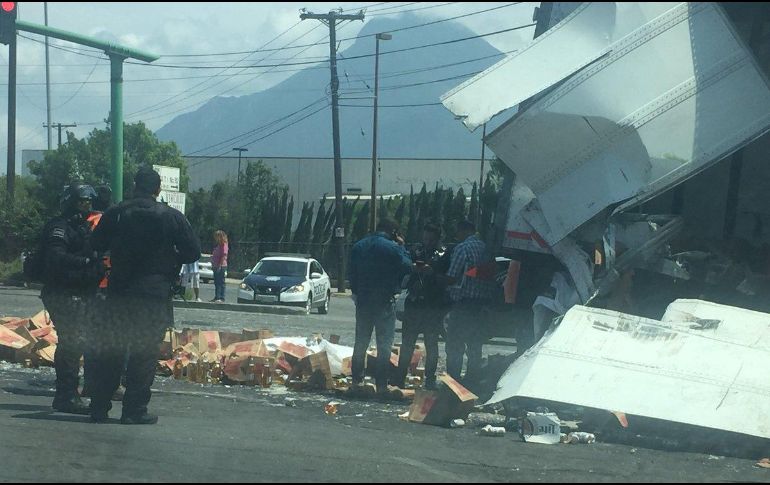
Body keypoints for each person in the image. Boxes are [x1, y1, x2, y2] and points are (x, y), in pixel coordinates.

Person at [89, 166, 200, 424]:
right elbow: (192, 252)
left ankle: (99, 407)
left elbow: (95, 245)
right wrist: (169, 258)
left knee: (112, 350)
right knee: (144, 352)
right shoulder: (172, 217)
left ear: (134, 186)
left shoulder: (116, 214)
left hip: (120, 291)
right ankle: (134, 411)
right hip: (153, 293)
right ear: (158, 189)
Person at [40, 182, 103, 415]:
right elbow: (55, 256)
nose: (86, 205)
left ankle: (76, 391)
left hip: (78, 291)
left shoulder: (81, 227)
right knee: (71, 341)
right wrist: (85, 262)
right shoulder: (60, 227)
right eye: (81, 201)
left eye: (88, 201)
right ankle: (65, 395)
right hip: (62, 292)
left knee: (78, 340)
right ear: (70, 202)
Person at [348, 218, 413, 394]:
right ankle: (381, 383)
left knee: (360, 342)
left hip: (363, 300)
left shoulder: (359, 246)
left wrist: (356, 291)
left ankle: (357, 381)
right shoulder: (392, 247)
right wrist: (402, 246)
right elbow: (408, 266)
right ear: (393, 232)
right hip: (384, 300)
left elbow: (351, 272)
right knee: (384, 345)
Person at [395, 223, 450, 390]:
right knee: (407, 343)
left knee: (431, 344)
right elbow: (406, 265)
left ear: (438, 238)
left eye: (431, 239)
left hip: (432, 305)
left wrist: (432, 272)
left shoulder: (444, 253)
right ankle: (400, 377)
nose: (427, 241)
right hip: (414, 303)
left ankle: (430, 379)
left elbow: (447, 275)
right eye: (425, 238)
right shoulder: (416, 250)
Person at [443, 219, 497, 382]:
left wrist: (438, 278)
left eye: (458, 232)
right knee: (475, 345)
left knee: (455, 344)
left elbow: (452, 277)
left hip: (464, 304)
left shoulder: (463, 248)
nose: (456, 236)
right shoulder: (486, 248)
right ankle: (472, 380)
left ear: (464, 231)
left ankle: (453, 381)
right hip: (482, 305)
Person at [211, 230, 228, 303]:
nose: (216, 238)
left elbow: (223, 256)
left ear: (221, 237)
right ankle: (216, 296)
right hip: (215, 265)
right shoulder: (218, 245)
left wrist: (219, 265)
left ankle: (221, 297)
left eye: (217, 236)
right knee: (216, 282)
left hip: (221, 266)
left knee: (221, 282)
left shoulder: (224, 245)